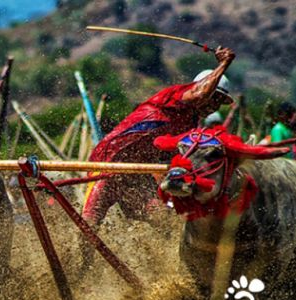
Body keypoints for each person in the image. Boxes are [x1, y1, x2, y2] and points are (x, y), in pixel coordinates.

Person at [82, 46, 236, 225]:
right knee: (88, 224)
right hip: (108, 163)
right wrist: (224, 63)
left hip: (137, 175)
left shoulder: (191, 125)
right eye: (215, 98)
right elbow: (200, 93)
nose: (215, 106)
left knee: (164, 221)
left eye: (220, 102)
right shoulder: (178, 96)